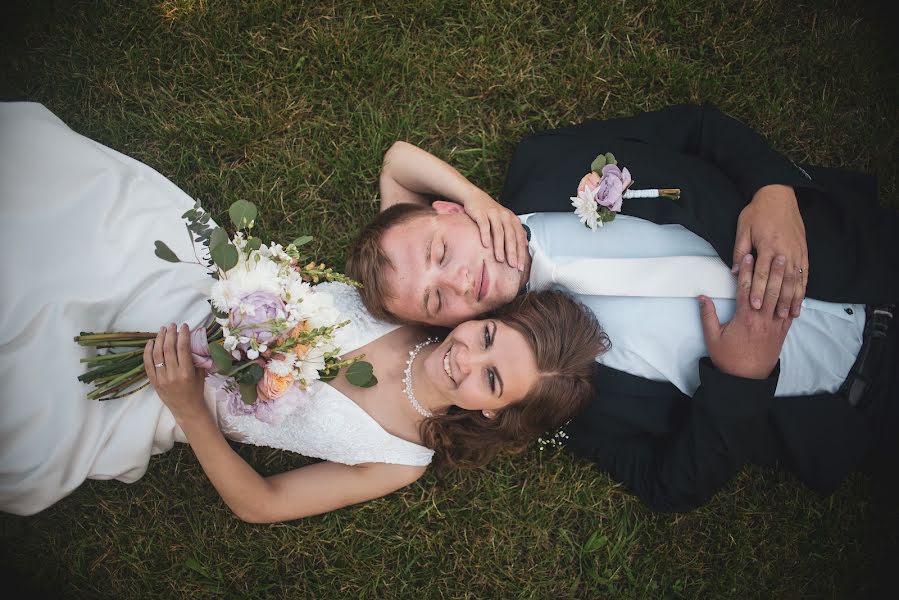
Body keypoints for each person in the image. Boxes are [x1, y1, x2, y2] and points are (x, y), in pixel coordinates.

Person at [0, 102, 607, 522]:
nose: (465, 358)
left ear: (497, 413)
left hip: (160, 396)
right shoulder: (419, 309)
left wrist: (187, 407)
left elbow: (260, 503)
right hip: (188, 291)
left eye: (492, 379)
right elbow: (398, 163)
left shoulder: (400, 460)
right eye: (488, 334)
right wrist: (476, 200)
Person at [346, 103, 898, 512]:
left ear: (449, 208)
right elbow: (671, 487)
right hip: (866, 406)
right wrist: (742, 380)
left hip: (866, 255)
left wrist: (773, 190)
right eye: (438, 299)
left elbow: (698, 129)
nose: (461, 280)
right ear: (442, 324)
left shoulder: (546, 163)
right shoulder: (562, 392)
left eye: (442, 251)